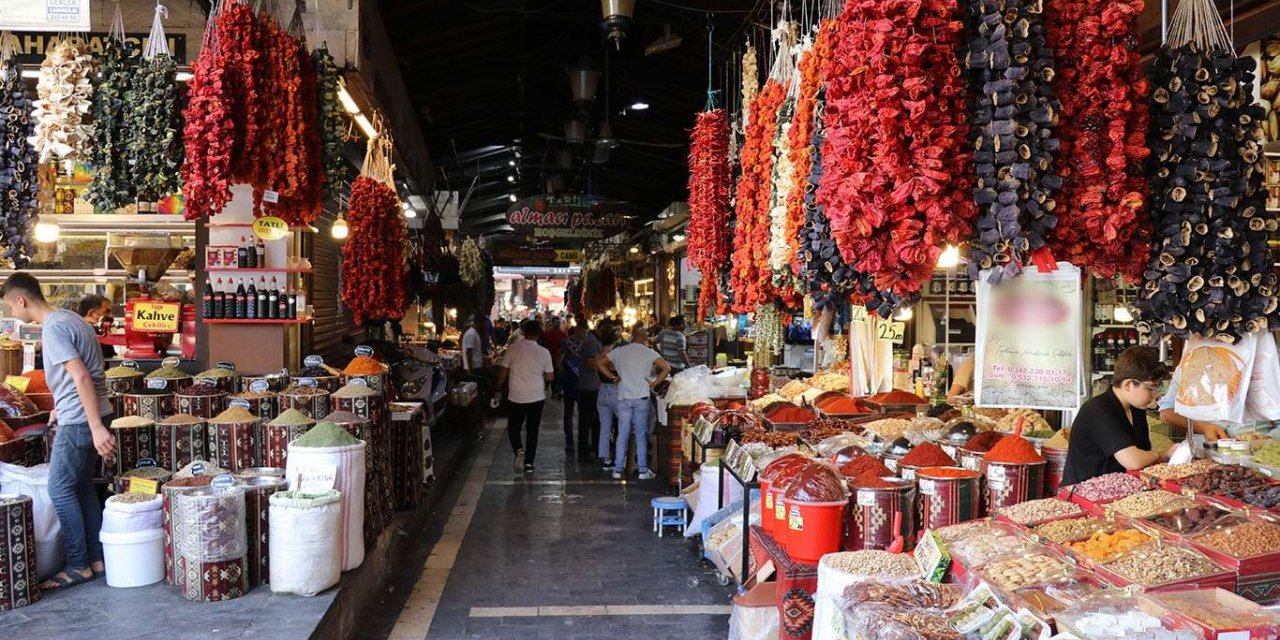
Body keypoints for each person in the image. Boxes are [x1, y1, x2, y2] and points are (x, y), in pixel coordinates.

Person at [4, 273, 116, 590]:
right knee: (81, 486)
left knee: (59, 489)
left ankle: (78, 564)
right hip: (88, 413)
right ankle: (95, 559)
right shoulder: (71, 319)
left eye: (10, 307)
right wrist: (61, 406)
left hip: (81, 420)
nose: (13, 314)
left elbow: (81, 376)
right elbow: (83, 375)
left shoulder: (53, 328)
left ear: (20, 300)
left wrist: (94, 427)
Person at [1062, 346, 1173, 486]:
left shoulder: (1137, 409)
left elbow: (1144, 453)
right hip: (1083, 493)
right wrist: (1164, 455)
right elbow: (1133, 461)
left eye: (1158, 388)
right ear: (1128, 384)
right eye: (1150, 388)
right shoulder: (1098, 410)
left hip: (1116, 489)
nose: (1156, 395)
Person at [596, 325, 671, 481]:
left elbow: (599, 363)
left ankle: (617, 469)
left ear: (632, 335)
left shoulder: (620, 351)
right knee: (640, 434)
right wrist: (655, 382)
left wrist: (613, 378)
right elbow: (666, 368)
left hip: (623, 396)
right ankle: (643, 470)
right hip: (641, 397)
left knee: (622, 434)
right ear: (643, 337)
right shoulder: (649, 352)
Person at [494, 320, 554, 474]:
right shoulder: (544, 352)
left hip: (516, 395)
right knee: (532, 430)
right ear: (539, 334)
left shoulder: (513, 349)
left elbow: (503, 371)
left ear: (524, 332)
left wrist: (498, 388)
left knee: (514, 427)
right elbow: (550, 377)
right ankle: (529, 464)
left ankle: (519, 449)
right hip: (536, 396)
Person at [1156, 366, 1231, 443]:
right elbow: (1166, 413)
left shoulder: (1242, 364)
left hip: (1243, 442)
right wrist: (1204, 427)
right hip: (1203, 448)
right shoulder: (1187, 366)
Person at [567, 315, 600, 461]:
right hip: (583, 384)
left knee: (590, 419)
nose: (583, 334)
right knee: (587, 419)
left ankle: (590, 448)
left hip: (585, 383)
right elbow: (590, 363)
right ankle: (584, 449)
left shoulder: (590, 341)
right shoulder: (590, 343)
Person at [590, 319, 622, 468]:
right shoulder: (614, 354)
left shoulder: (598, 354)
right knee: (623, 425)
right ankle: (621, 457)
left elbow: (597, 372)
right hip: (615, 392)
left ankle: (605, 458)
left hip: (602, 391)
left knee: (605, 427)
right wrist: (615, 377)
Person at [77, 293, 115, 362]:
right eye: (107, 311)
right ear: (91, 313)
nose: (111, 315)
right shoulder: (90, 332)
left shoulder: (99, 331)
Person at [543, 317, 567, 401]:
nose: (558, 324)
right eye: (556, 322)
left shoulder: (562, 334)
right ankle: (554, 391)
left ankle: (559, 391)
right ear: (553, 323)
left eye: (558, 322)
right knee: (554, 375)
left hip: (560, 358)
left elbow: (565, 346)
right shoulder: (548, 333)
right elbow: (545, 345)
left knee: (559, 376)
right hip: (551, 358)